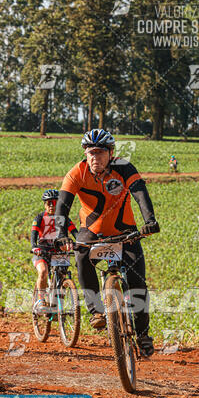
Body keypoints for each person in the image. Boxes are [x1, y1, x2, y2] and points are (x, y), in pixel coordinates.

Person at [54, 129, 160, 358]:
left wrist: (149, 220)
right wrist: (61, 233)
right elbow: (62, 205)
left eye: (100, 152)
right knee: (81, 256)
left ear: (111, 153)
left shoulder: (124, 167)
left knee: (137, 283)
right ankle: (96, 310)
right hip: (91, 233)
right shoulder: (76, 173)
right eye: (91, 152)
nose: (95, 157)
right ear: (85, 153)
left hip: (126, 233)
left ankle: (143, 334)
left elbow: (140, 192)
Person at [31, 189, 77, 309]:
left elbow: (74, 232)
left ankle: (57, 305)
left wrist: (80, 243)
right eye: (48, 203)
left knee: (62, 276)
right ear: (44, 204)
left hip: (59, 251)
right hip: (43, 251)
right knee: (43, 271)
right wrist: (34, 246)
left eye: (54, 202)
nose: (51, 205)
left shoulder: (64, 218)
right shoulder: (40, 217)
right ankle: (41, 299)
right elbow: (34, 234)